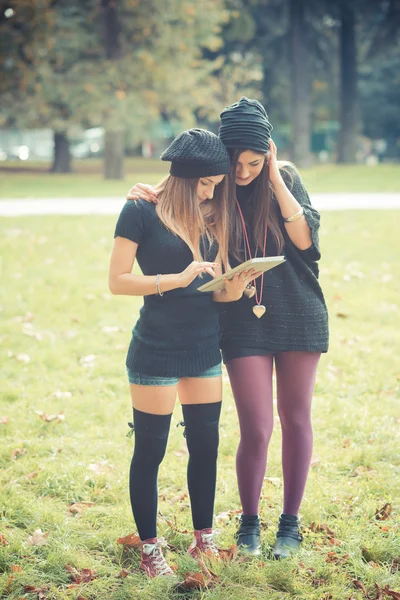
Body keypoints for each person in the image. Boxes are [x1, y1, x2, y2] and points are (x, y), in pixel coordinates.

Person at [126, 98, 329, 559]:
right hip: (238, 316)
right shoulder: (215, 187)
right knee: (256, 427)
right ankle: (249, 524)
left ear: (269, 155)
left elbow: (306, 241)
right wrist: (148, 189)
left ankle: (289, 525)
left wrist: (275, 174)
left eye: (254, 162)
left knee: (296, 419)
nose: (242, 172)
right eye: (234, 162)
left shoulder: (286, 179)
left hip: (299, 311)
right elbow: (177, 188)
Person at [109, 128, 259, 578]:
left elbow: (213, 293)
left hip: (203, 346)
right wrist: (175, 279)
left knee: (206, 445)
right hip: (155, 347)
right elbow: (117, 281)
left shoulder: (213, 215)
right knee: (151, 449)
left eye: (216, 183)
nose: (212, 190)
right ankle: (150, 548)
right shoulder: (139, 210)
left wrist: (232, 290)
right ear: (184, 177)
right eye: (205, 183)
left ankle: (202, 539)